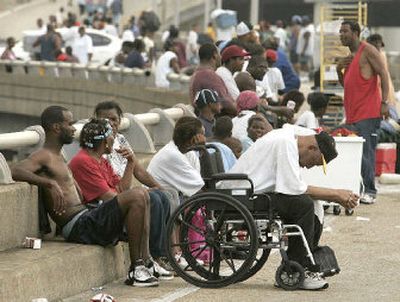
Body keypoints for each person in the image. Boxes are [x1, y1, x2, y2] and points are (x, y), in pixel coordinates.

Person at [11, 106, 159, 287]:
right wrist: (48, 183)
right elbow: (16, 170)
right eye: (70, 123)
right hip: (77, 225)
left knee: (143, 195)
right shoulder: (44, 156)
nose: (74, 129)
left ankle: (146, 262)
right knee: (136, 195)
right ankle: (137, 269)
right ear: (57, 127)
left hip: (86, 215)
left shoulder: (58, 156)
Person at [223, 128, 359, 290]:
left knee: (314, 205)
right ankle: (296, 267)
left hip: (254, 193)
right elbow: (295, 188)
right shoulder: (285, 144)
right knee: (303, 205)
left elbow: (296, 188)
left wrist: (334, 195)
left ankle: (302, 264)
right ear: (312, 148)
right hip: (243, 195)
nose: (309, 167)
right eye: (314, 162)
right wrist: (336, 195)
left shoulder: (288, 140)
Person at [94, 101, 173, 278]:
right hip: (117, 196)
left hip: (126, 189)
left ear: (120, 120)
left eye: (114, 119)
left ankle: (158, 256)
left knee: (162, 196)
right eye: (105, 119)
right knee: (154, 199)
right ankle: (151, 258)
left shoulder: (121, 140)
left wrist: (158, 187)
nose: (110, 123)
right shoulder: (99, 146)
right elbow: (122, 188)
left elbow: (139, 170)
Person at [337, 21, 389, 204]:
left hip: (368, 112)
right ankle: (360, 188)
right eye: (340, 31)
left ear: (356, 33)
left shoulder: (367, 50)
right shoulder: (351, 57)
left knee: (367, 153)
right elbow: (348, 86)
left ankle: (370, 191)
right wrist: (338, 69)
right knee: (356, 154)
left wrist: (385, 102)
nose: (341, 34)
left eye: (345, 31)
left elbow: (383, 72)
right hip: (353, 114)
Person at [189, 43, 237, 116]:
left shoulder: (196, 74)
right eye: (219, 54)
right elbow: (226, 103)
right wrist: (241, 112)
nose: (221, 57)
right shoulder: (208, 75)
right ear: (215, 55)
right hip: (214, 121)